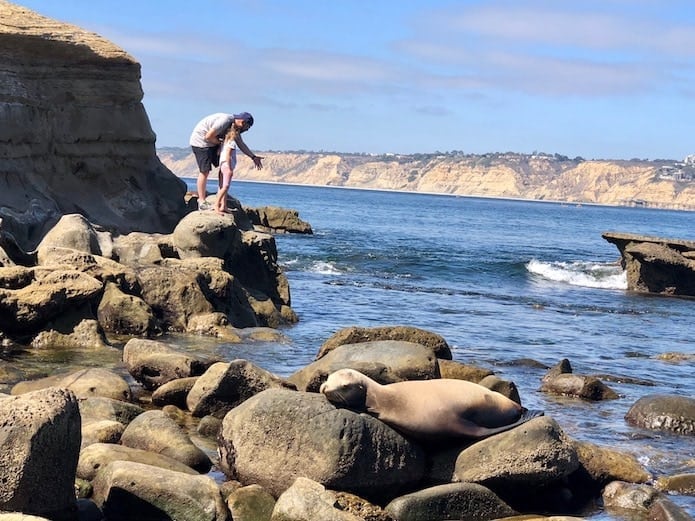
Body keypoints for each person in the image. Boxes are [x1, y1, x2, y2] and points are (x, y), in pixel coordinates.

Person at [188, 112, 264, 210]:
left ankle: (222, 204)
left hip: (212, 142)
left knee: (222, 172)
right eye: (247, 127)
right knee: (205, 171)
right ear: (242, 122)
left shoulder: (234, 128)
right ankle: (201, 201)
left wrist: (253, 157)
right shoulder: (226, 121)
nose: (246, 130)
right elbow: (208, 136)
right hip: (201, 142)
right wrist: (222, 143)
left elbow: (241, 144)